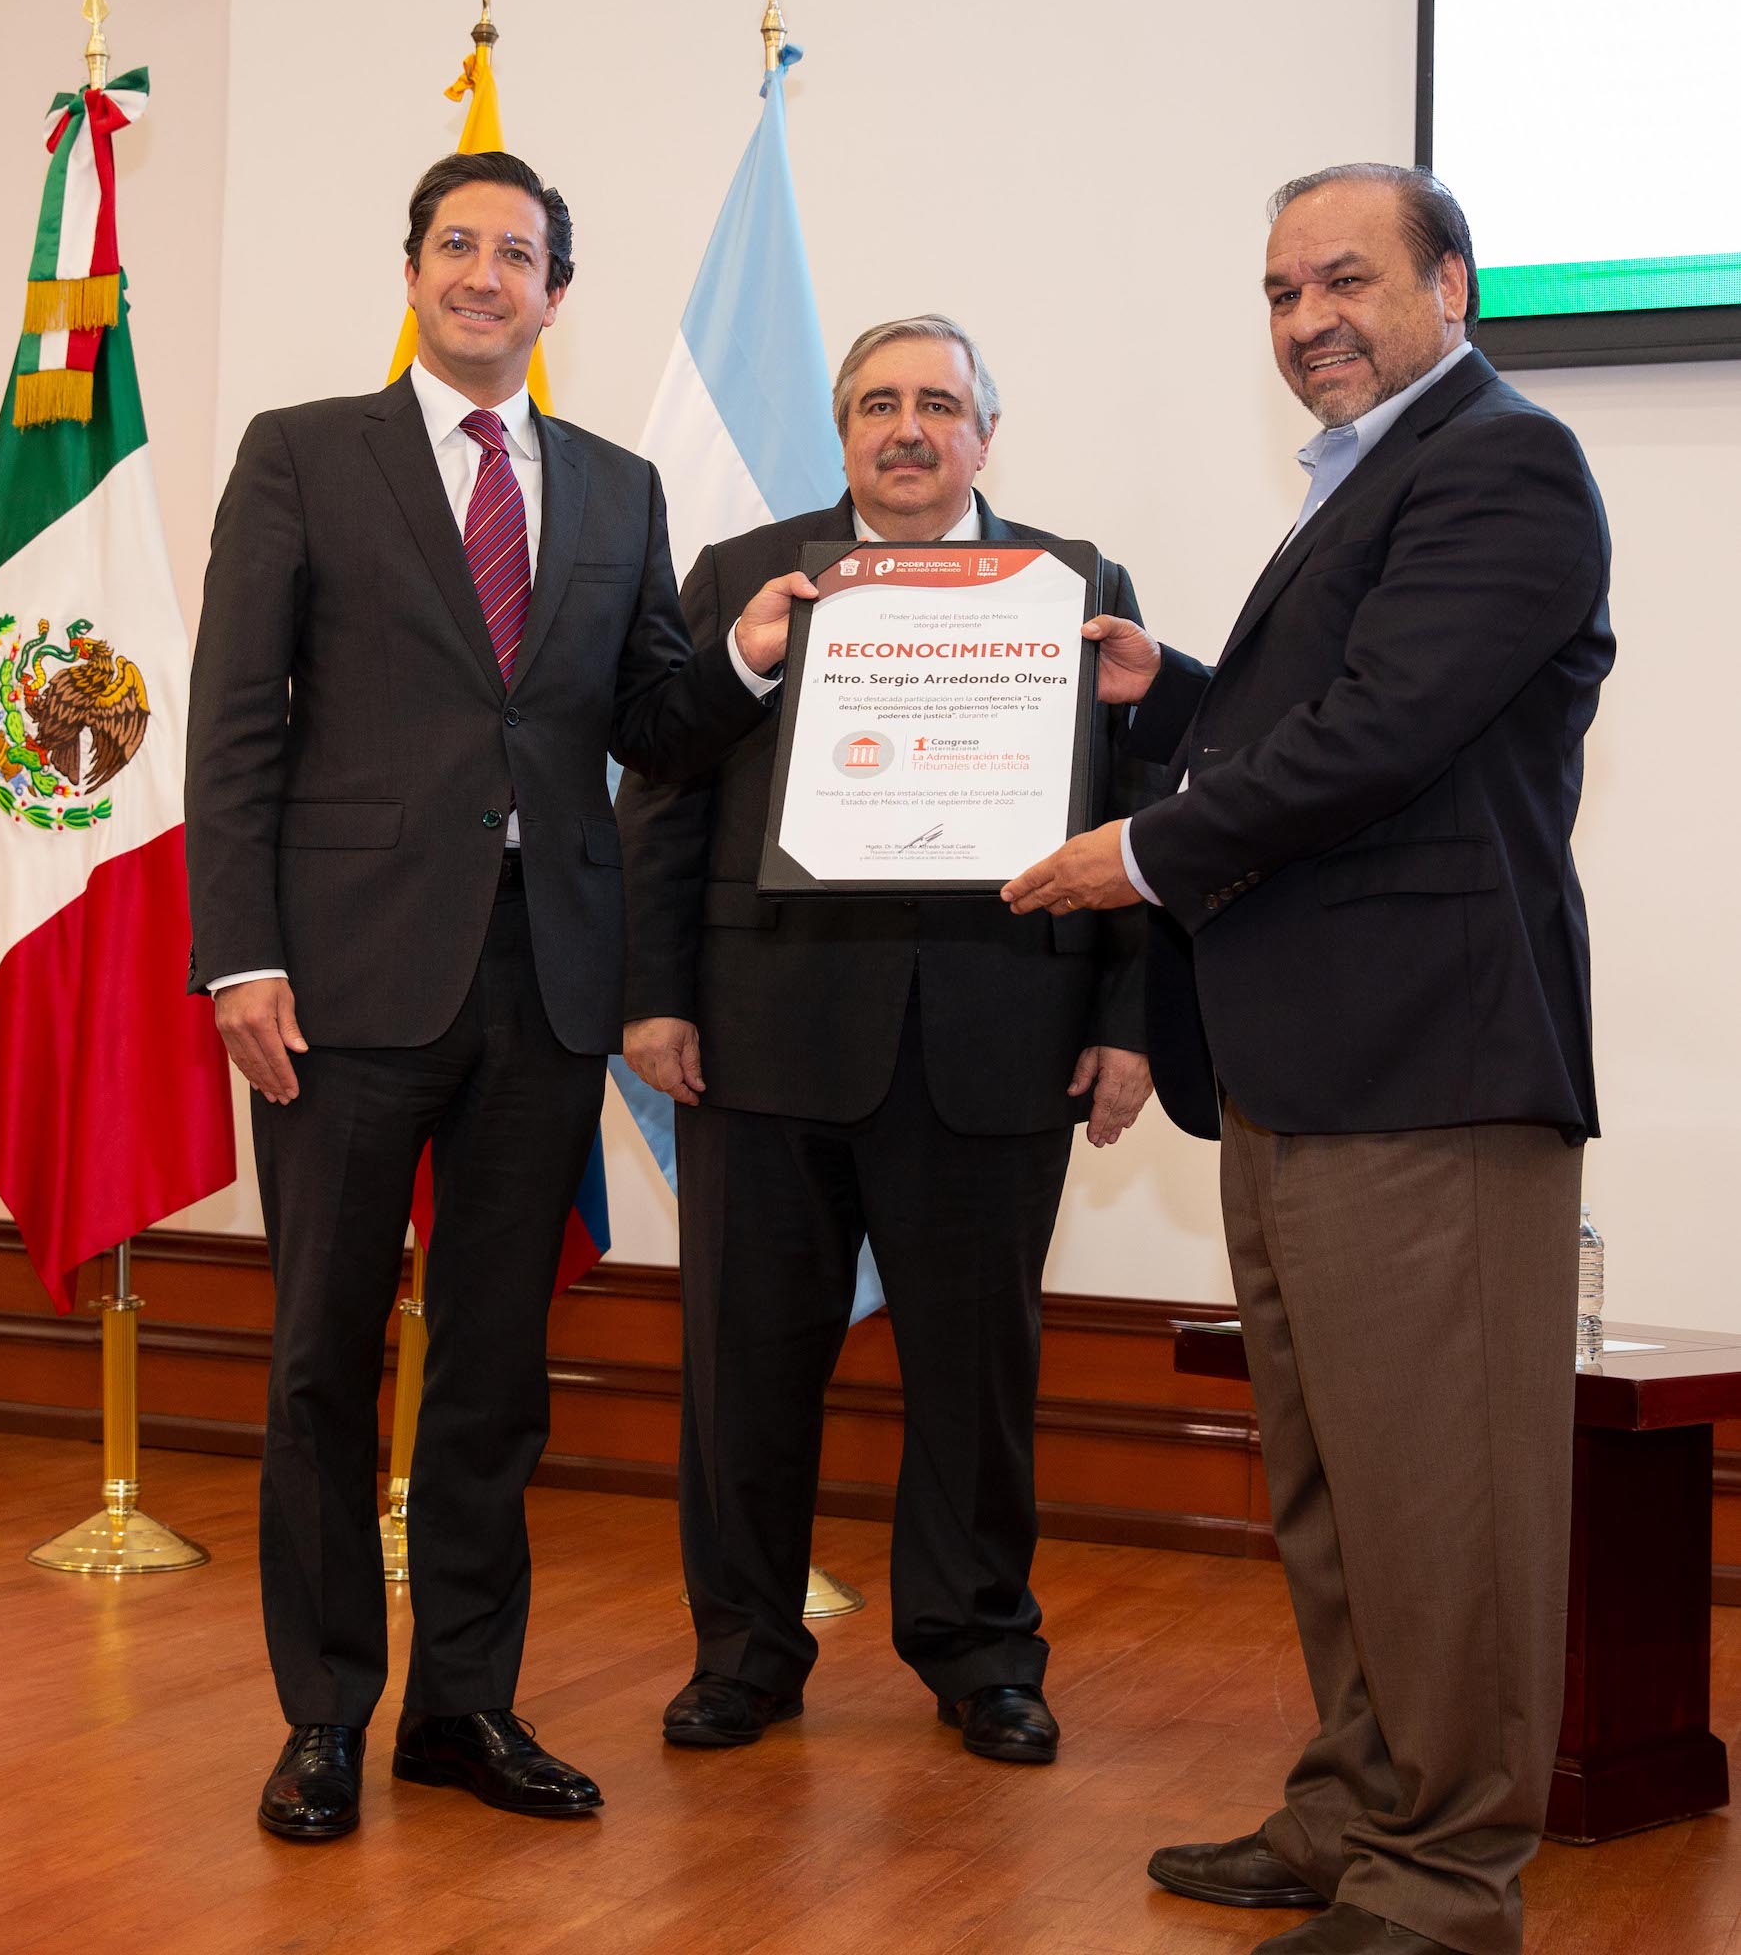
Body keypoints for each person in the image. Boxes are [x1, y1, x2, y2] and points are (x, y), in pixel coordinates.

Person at [1005, 166, 1613, 1955]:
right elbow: (1340, 718)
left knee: (1447, 1501)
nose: (1305, 321)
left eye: (1344, 280)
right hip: (1303, 1064)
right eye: (1277, 294)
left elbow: (1383, 736)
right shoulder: (1373, 480)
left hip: (1430, 1064)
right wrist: (1171, 695)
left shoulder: (1501, 460)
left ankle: (1442, 1882)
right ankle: (1360, 1808)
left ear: (1454, 285)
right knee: (1340, 1489)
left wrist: (1137, 848)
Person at [185, 149, 809, 1842]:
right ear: (411, 271)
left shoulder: (614, 491)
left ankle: (461, 1705)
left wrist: (748, 655)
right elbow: (236, 720)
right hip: (341, 985)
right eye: (455, 243)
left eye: (516, 252)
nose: (483, 272)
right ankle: (323, 1718)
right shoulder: (304, 454)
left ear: (556, 294)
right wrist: (237, 953)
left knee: (494, 1370)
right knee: (321, 1359)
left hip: (544, 985)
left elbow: (654, 730)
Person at [616, 314, 1159, 1765]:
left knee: (977, 1373)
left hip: (1002, 1033)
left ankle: (980, 1652)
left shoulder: (1076, 584)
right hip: (762, 1031)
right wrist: (651, 996)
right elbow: (662, 790)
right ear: (842, 430)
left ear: (986, 430)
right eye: (876, 405)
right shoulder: (747, 576)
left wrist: (1125, 1025)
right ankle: (742, 1650)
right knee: (744, 1367)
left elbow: (1137, 805)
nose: (905, 429)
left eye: (937, 403)